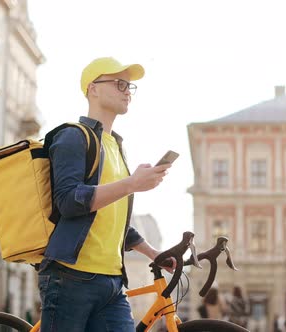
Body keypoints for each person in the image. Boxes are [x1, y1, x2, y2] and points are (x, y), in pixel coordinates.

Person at [37, 57, 174, 332]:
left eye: (130, 86)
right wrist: (131, 184)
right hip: (70, 276)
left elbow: (112, 216)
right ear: (93, 88)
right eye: (120, 83)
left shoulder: (116, 146)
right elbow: (68, 201)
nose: (127, 91)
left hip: (112, 281)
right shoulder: (73, 137)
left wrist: (152, 252)